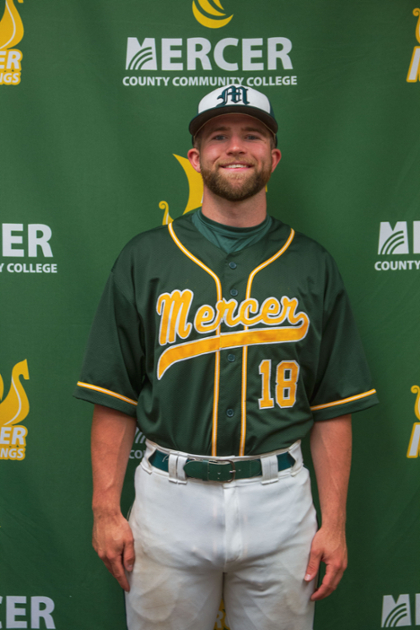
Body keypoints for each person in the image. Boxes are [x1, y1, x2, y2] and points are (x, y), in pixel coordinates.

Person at [74, 84, 378, 630]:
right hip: (168, 498)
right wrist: (105, 509)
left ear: (273, 157)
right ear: (196, 158)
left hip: (280, 500)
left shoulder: (313, 264)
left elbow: (333, 405)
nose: (235, 147)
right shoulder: (145, 257)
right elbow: (114, 394)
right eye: (218, 136)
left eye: (252, 135)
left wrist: (334, 524)